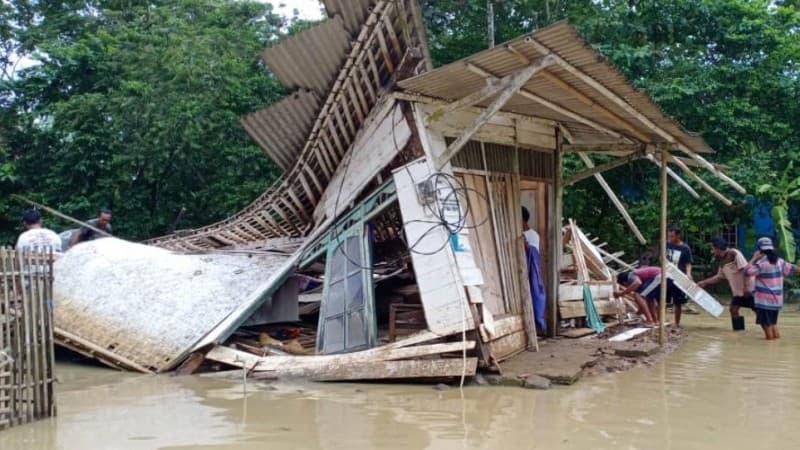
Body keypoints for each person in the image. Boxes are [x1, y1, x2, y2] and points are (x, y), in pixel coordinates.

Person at [744, 237, 800, 340]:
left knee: (767, 327)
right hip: (776, 301)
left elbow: (746, 272)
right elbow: (794, 268)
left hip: (764, 301)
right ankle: (776, 348)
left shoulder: (761, 264)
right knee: (773, 324)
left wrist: (753, 258)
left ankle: (771, 349)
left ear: (759, 250)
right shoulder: (780, 262)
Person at [696, 237, 754, 331]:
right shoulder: (721, 261)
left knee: (759, 311)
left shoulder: (734, 253)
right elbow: (719, 277)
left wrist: (746, 288)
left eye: (712, 249)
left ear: (718, 248)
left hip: (748, 290)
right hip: (738, 292)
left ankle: (770, 331)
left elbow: (745, 270)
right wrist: (704, 282)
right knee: (733, 310)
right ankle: (739, 333)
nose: (712, 252)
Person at [666, 224, 692, 327]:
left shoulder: (685, 248)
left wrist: (688, 274)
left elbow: (688, 263)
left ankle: (677, 323)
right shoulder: (667, 244)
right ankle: (661, 321)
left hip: (679, 276)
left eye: (672, 236)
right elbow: (662, 257)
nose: (670, 238)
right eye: (669, 236)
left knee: (678, 302)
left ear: (678, 235)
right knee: (662, 299)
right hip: (667, 275)